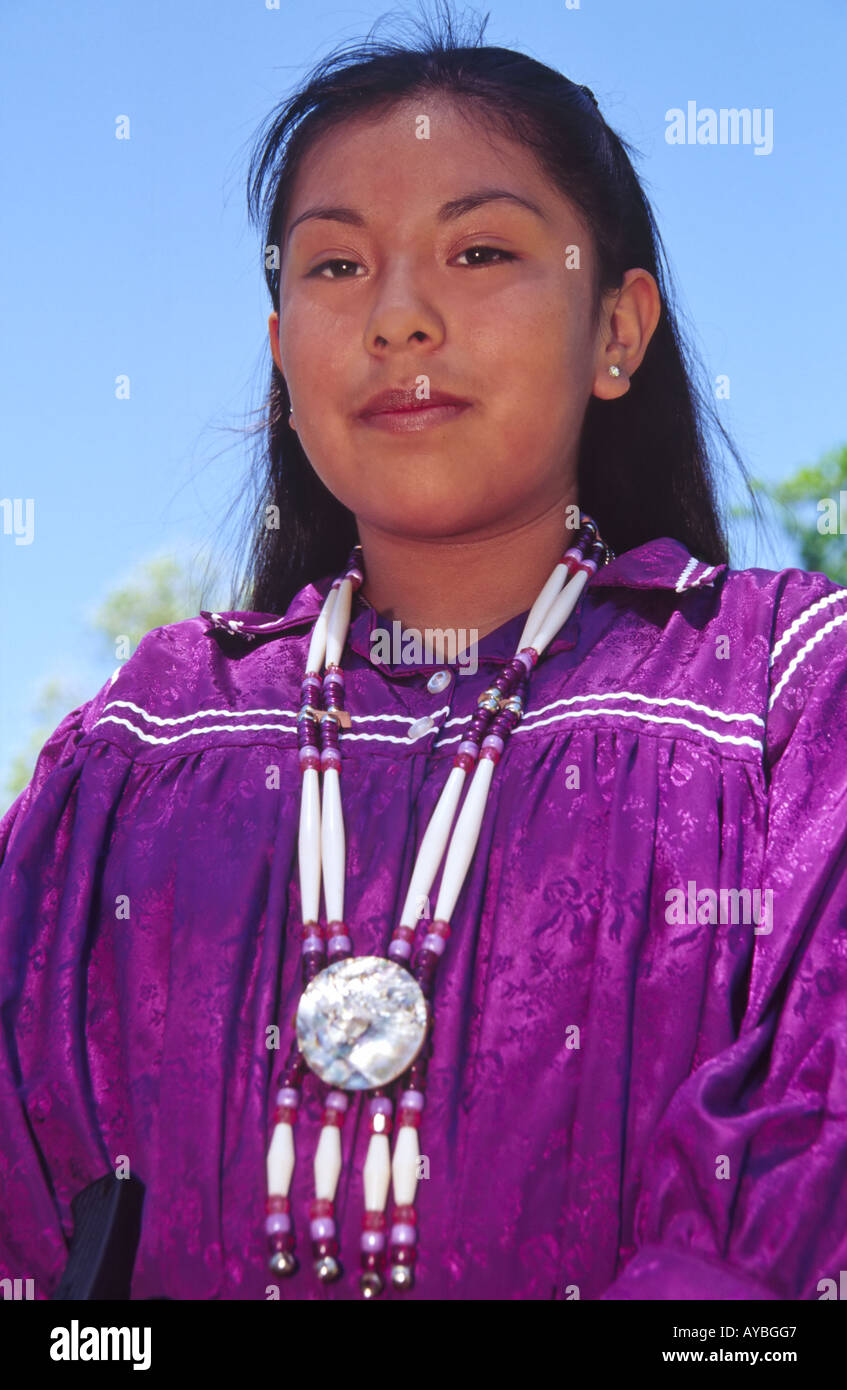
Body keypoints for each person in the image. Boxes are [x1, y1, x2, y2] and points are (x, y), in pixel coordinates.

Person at [2, 10, 846, 1303]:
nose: (399, 317)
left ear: (618, 331)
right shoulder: (141, 742)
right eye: (335, 268)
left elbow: (810, 1159)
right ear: (283, 355)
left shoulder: (787, 697)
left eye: (481, 248)